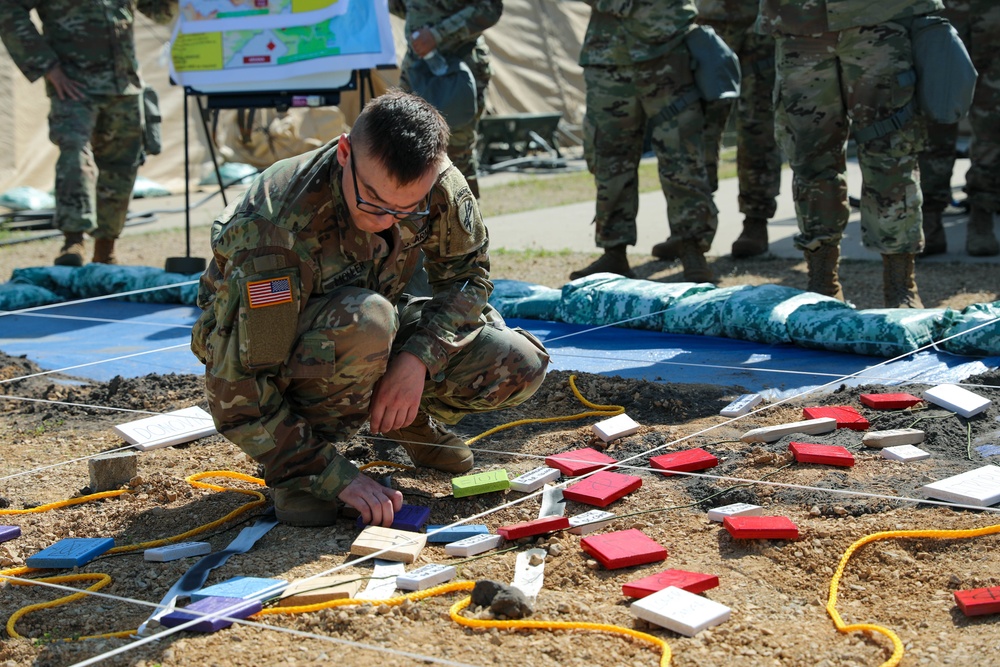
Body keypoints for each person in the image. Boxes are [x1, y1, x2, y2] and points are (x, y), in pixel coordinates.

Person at [190, 91, 549, 528]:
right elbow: (237, 387)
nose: (388, 218)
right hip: (289, 348)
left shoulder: (439, 182)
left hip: (376, 324)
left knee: (517, 361)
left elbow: (468, 278)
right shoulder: (273, 230)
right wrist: (336, 477)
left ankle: (403, 418)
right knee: (368, 320)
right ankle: (302, 468)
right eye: (374, 203)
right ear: (345, 153)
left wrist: (417, 361)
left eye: (407, 208)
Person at [759, 0, 944, 308]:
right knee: (811, 154)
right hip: (799, 23)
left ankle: (900, 283)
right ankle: (822, 279)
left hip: (878, 16)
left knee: (891, 152)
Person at [0, 0, 176, 266]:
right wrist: (47, 66)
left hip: (123, 85)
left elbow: (160, 12)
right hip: (74, 86)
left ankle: (106, 247)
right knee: (74, 156)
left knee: (122, 166)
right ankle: (73, 241)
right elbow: (8, 8)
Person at [570, 0, 718, 284]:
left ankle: (692, 248)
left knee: (681, 154)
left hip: (667, 50)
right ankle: (614, 251)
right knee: (610, 158)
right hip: (608, 58)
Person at [693, 0, 781, 259]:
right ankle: (693, 225)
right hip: (710, 25)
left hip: (761, 26)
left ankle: (755, 221)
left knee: (758, 128)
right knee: (699, 127)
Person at [389, 0, 502, 200]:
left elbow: (490, 8)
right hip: (417, 68)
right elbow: (402, 7)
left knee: (455, 155)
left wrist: (438, 34)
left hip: (457, 68)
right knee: (407, 150)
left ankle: (464, 226)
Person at [918, 0, 1000, 257]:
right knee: (935, 116)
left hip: (993, 19)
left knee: (993, 124)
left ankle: (982, 216)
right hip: (942, 12)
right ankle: (930, 219)